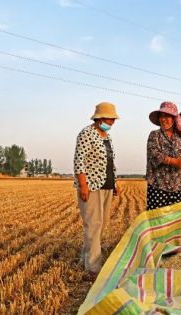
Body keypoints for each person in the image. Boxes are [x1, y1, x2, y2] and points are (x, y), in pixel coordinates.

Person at [74, 101, 119, 274]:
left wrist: (114, 183)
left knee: (100, 224)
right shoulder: (86, 134)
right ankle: (93, 268)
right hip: (91, 186)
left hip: (106, 184)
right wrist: (83, 185)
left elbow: (109, 162)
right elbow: (79, 161)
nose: (112, 122)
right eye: (109, 119)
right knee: (93, 224)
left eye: (113, 119)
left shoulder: (107, 137)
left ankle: (84, 259)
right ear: (99, 118)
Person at [146, 101, 181, 210]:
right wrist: (176, 162)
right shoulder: (154, 135)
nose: (163, 119)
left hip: (178, 185)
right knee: (158, 219)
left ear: (174, 119)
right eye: (161, 116)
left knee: (176, 219)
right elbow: (154, 154)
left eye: (167, 116)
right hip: (158, 185)